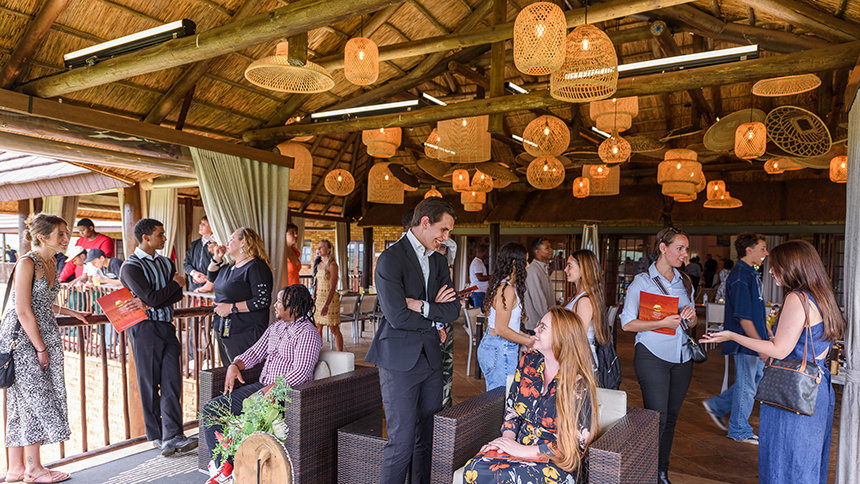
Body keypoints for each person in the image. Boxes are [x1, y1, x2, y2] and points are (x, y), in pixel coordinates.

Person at [701, 240, 845, 484]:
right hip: (816, 389)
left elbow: (780, 350)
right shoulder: (821, 296)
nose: (770, 271)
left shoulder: (797, 298)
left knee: (783, 461)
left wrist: (733, 335)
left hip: (792, 392)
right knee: (806, 461)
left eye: (775, 266)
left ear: (792, 267)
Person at [365, 197, 460, 484]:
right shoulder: (390, 258)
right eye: (443, 230)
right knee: (402, 442)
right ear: (425, 222)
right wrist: (434, 317)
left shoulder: (439, 260)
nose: (446, 238)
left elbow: (452, 310)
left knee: (426, 439)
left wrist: (421, 306)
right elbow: (396, 316)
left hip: (431, 358)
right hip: (398, 361)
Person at [0, 213, 89, 484]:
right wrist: (40, 348)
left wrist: (72, 312)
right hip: (24, 340)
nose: (66, 238)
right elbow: (23, 309)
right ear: (42, 236)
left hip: (42, 335)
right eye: (60, 234)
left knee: (20, 402)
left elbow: (42, 301)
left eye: (66, 233)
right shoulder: (27, 262)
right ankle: (34, 469)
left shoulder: (51, 262)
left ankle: (16, 469)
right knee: (36, 401)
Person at [201, 284, 322, 482]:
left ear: (295, 307)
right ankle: (225, 468)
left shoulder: (307, 333)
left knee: (245, 420)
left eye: (280, 302)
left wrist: (270, 389)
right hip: (261, 389)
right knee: (212, 410)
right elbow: (255, 353)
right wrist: (235, 365)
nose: (275, 305)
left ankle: (228, 471)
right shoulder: (276, 327)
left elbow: (301, 372)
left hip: (286, 396)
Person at [463, 307, 597, 484]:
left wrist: (521, 450)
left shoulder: (579, 383)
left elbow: (574, 446)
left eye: (543, 327)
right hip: (518, 449)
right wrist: (505, 442)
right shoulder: (529, 361)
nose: (535, 330)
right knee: (474, 468)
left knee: (502, 477)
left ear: (561, 337)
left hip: (557, 463)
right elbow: (512, 409)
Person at [619, 227, 697, 484]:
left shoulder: (685, 281)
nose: (684, 254)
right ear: (663, 248)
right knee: (656, 418)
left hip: (682, 357)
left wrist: (691, 318)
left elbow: (693, 320)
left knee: (671, 418)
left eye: (686, 249)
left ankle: (661, 472)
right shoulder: (642, 282)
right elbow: (627, 323)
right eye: (679, 248)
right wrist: (661, 322)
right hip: (652, 356)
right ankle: (647, 472)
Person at [119, 218, 197, 456]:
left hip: (166, 325)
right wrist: (172, 286)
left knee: (172, 381)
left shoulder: (166, 262)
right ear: (145, 237)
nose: (164, 238)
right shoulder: (130, 267)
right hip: (143, 329)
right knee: (150, 383)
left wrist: (151, 300)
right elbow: (154, 297)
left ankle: (174, 435)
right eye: (160, 234)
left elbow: (174, 296)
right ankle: (158, 436)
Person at [702, 234, 769, 444]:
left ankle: (717, 405)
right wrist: (760, 346)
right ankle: (739, 430)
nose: (766, 253)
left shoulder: (751, 273)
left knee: (751, 382)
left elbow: (757, 311)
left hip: (755, 340)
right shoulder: (740, 276)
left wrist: (768, 333)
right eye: (762, 248)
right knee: (747, 385)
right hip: (745, 341)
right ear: (749, 250)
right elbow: (743, 318)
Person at [208, 227, 273, 363]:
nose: (227, 243)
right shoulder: (229, 267)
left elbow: (262, 301)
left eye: (232, 239)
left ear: (243, 242)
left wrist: (231, 308)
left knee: (242, 371)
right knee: (228, 369)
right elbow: (211, 276)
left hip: (245, 331)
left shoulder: (256, 267)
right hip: (224, 328)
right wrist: (217, 257)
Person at [477, 242, 534, 391]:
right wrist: (529, 341)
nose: (528, 265)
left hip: (497, 346)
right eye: (525, 261)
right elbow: (501, 329)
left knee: (500, 396)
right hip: (500, 348)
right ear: (515, 263)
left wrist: (526, 337)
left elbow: (508, 326)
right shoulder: (506, 290)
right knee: (501, 398)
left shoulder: (503, 286)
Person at [563, 249, 610, 371]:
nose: (565, 270)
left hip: (579, 359)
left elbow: (579, 337)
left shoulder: (584, 301)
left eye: (569, 266)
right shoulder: (579, 296)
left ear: (583, 269)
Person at [436, 238, 457, 409]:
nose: (440, 250)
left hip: (445, 322)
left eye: (443, 248)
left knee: (445, 367)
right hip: (436, 323)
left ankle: (444, 408)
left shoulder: (444, 268)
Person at [313, 240, 342, 351]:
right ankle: (318, 352)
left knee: (333, 328)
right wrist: (314, 294)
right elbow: (317, 282)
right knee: (318, 326)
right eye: (318, 247)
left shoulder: (332, 265)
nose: (318, 249)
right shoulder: (319, 264)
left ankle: (340, 353)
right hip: (319, 298)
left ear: (329, 249)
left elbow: (332, 287)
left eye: (321, 247)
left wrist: (326, 305)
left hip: (330, 300)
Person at [524, 237, 555, 334]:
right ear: (537, 251)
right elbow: (538, 300)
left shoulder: (543, 268)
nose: (551, 250)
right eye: (547, 248)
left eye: (550, 247)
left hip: (545, 323)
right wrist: (550, 320)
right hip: (538, 326)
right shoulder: (533, 270)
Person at [184, 216, 216, 291]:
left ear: (212, 228)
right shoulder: (194, 244)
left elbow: (219, 266)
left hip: (211, 289)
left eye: (204, 224)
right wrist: (194, 273)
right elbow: (186, 264)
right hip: (193, 288)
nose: (200, 225)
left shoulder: (217, 245)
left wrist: (207, 278)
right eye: (201, 223)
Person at [469, 244, 490, 309]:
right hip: (478, 291)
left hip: (479, 291)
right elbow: (480, 278)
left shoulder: (479, 262)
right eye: (487, 252)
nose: (488, 254)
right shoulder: (477, 263)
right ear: (483, 252)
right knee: (479, 312)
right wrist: (492, 276)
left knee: (480, 311)